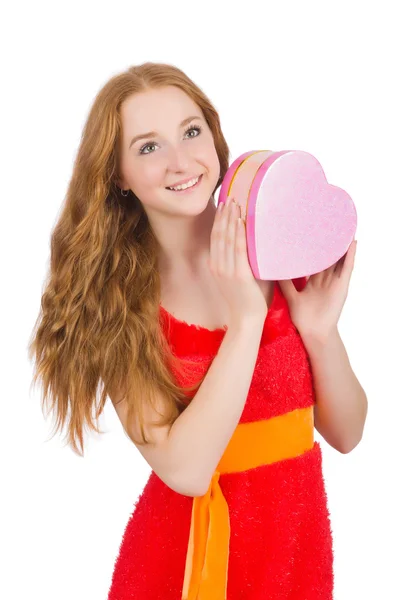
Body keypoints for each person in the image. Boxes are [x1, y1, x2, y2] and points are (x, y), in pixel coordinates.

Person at [28, 62, 368, 599]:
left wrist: (320, 334)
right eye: (148, 147)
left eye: (191, 131)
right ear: (116, 173)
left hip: (295, 550)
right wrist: (246, 322)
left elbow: (348, 434)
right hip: (185, 562)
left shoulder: (272, 245)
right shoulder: (117, 305)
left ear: (214, 134)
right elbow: (185, 471)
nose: (181, 161)